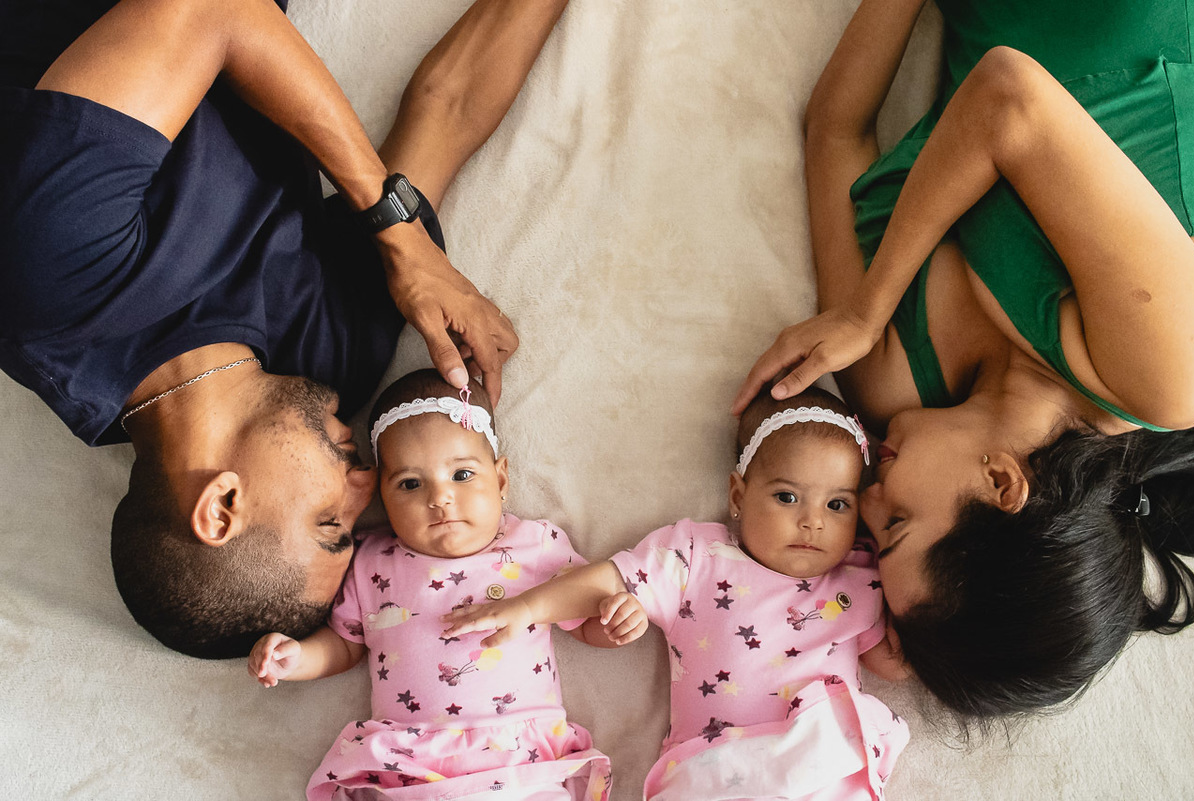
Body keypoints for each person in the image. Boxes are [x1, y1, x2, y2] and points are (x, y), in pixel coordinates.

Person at [0, 0, 568, 658]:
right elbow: (449, 107)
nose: (368, 488)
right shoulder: (325, 369)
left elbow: (210, 9)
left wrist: (400, 234)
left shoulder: (51, 286)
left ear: (222, 506)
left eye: (329, 523)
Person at [733, 0, 1194, 723]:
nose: (869, 498)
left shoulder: (887, 379)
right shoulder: (1167, 375)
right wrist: (867, 306)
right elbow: (1007, 96)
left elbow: (835, 129)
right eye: (897, 526)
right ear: (1002, 482)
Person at [444, 388, 910, 800]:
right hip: (712, 769)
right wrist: (527, 607)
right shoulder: (696, 557)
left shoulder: (862, 578)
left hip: (820, 765)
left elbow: (895, 662)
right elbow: (605, 582)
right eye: (787, 497)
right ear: (738, 496)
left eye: (838, 504)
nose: (814, 520)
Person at [246, 369, 626, 799]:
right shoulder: (372, 562)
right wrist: (296, 658)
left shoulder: (535, 546)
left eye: (462, 475)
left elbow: (587, 608)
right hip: (411, 763)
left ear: (501, 480)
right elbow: (346, 645)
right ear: (382, 501)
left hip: (519, 758)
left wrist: (613, 622)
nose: (439, 498)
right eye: (410, 483)